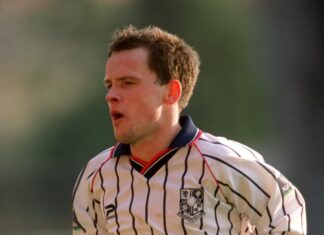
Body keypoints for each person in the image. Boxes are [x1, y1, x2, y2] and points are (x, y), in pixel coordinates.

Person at [72, 25, 306, 235]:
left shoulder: (224, 163)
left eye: (128, 83)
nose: (111, 95)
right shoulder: (96, 177)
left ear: (171, 92)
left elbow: (287, 213)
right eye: (109, 84)